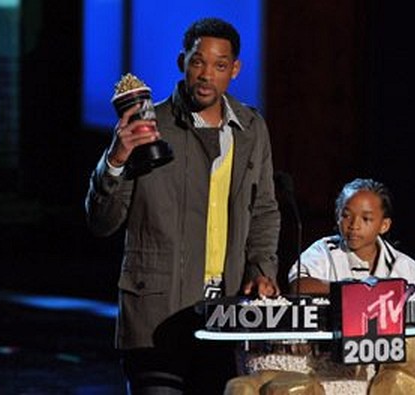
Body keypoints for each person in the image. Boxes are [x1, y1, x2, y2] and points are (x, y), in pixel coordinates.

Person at [85, 17, 280, 395]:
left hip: (226, 316)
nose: (206, 75)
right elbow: (101, 221)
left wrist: (261, 268)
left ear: (235, 70)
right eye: (197, 61)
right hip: (156, 316)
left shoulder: (252, 129)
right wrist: (116, 158)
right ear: (181, 62)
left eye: (219, 65)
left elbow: (264, 210)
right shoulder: (148, 127)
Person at [288, 178, 415, 300]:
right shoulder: (323, 251)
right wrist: (350, 289)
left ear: (384, 225)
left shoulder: (405, 267)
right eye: (346, 216)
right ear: (337, 216)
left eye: (366, 219)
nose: (354, 225)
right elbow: (298, 285)